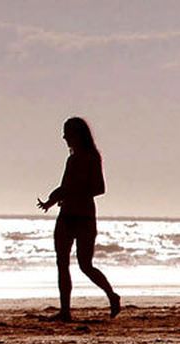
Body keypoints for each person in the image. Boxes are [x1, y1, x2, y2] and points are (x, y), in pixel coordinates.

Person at [38, 116, 120, 321]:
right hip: (66, 216)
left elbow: (99, 188)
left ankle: (111, 295)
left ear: (77, 134)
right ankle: (65, 311)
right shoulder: (72, 159)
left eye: (67, 132)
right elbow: (64, 187)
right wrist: (51, 201)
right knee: (62, 262)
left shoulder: (91, 157)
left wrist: (73, 192)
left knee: (85, 265)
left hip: (84, 217)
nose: (64, 137)